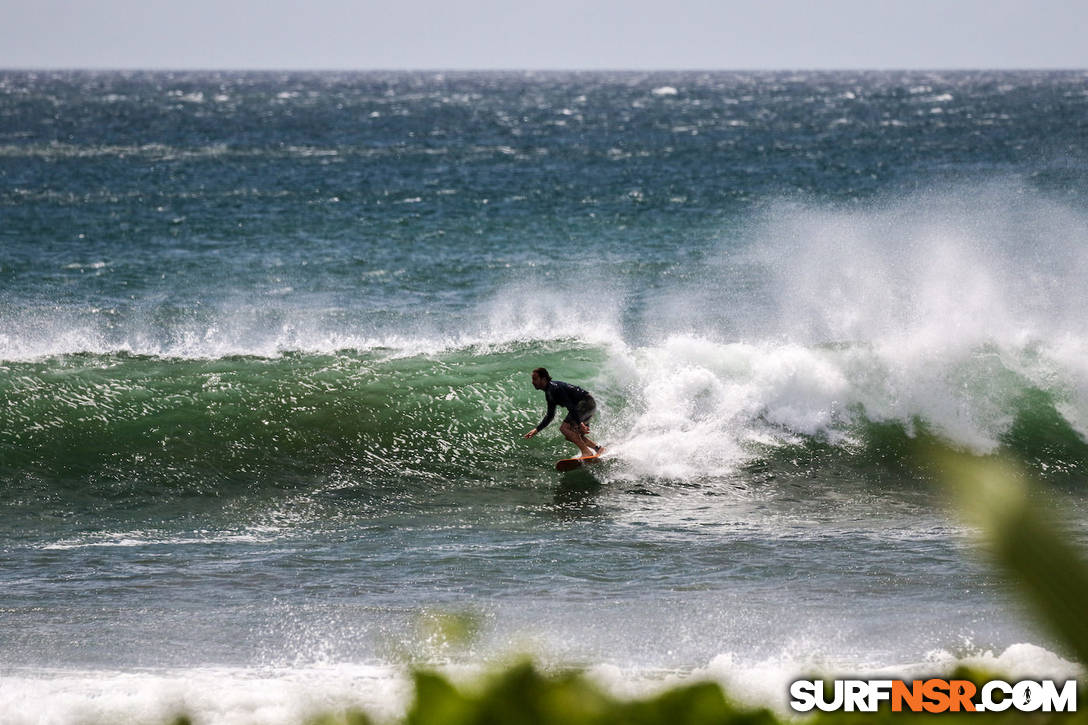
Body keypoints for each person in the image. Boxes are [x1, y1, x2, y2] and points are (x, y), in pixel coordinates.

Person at [522, 367, 605, 459]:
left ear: (544, 379)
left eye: (535, 379)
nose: (533, 382)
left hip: (585, 402)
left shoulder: (554, 389)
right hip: (588, 402)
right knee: (572, 435)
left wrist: (579, 423)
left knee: (564, 429)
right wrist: (536, 430)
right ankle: (598, 449)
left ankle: (586, 452)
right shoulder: (549, 392)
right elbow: (550, 415)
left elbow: (571, 406)